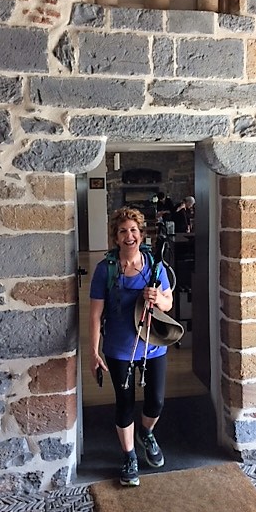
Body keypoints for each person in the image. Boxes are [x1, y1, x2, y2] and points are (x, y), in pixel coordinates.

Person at [89, 207, 173, 487]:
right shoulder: (105, 269)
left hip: (153, 346)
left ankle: (146, 433)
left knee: (156, 401)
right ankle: (129, 456)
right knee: (124, 403)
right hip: (119, 347)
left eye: (133, 230)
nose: (129, 236)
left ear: (141, 234)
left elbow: (168, 303)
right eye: (123, 231)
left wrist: (157, 298)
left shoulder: (155, 266)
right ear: (115, 237)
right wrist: (93, 352)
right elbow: (95, 315)